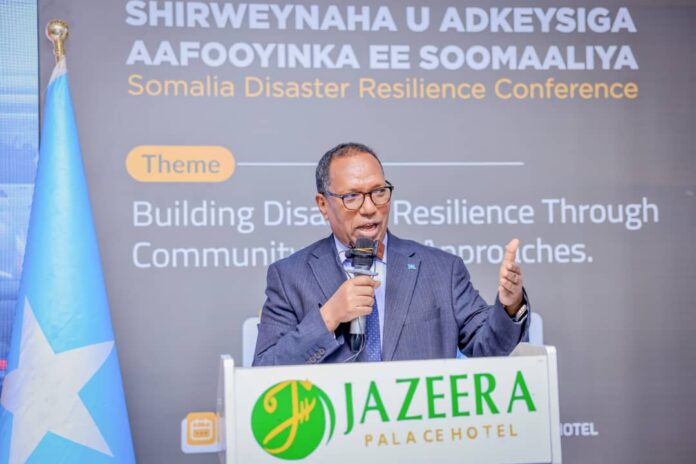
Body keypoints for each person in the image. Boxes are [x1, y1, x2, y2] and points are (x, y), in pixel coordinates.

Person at [253, 142, 529, 365]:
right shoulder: (289, 277)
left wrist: (510, 305)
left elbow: (489, 348)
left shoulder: (442, 270)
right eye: (352, 196)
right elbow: (265, 370)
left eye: (378, 192)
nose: (369, 208)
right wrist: (328, 317)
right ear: (323, 205)